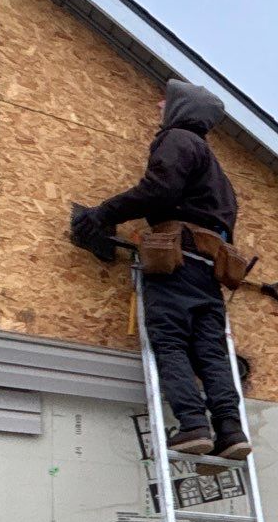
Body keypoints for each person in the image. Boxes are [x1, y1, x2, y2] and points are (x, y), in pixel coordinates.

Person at [73, 79, 249, 460]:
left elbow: (159, 191)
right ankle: (231, 431)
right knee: (210, 352)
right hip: (208, 270)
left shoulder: (178, 140)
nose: (158, 106)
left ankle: (192, 426)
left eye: (165, 102)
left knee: (169, 341)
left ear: (182, 110)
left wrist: (101, 214)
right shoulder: (219, 175)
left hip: (177, 264)